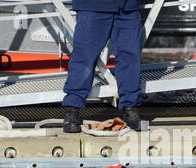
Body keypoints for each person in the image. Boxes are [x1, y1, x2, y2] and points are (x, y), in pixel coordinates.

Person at [62, 0, 145, 133]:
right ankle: (72, 110)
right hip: (92, 6)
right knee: (84, 57)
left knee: (130, 59)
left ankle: (130, 109)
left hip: (127, 7)